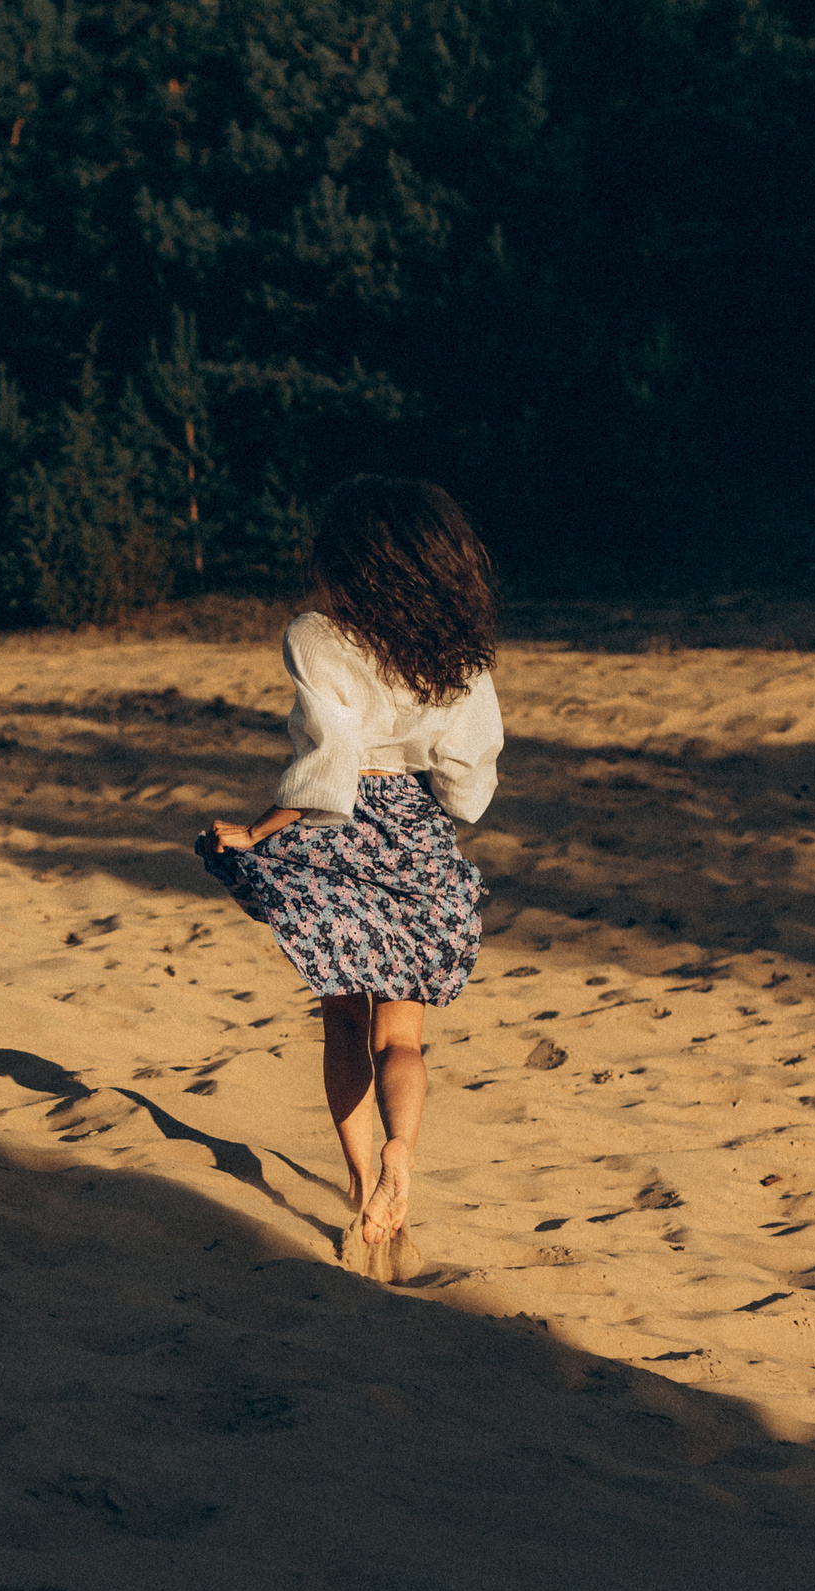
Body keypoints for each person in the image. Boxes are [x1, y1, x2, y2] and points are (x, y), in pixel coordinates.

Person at [198, 476, 503, 1253]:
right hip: (417, 831)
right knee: (403, 1039)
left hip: (338, 827)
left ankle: (364, 1182)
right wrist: (436, 815)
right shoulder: (459, 653)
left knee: (343, 1019)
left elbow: (331, 759)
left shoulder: (317, 635)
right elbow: (469, 769)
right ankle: (402, 1151)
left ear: (354, 562)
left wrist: (259, 830)